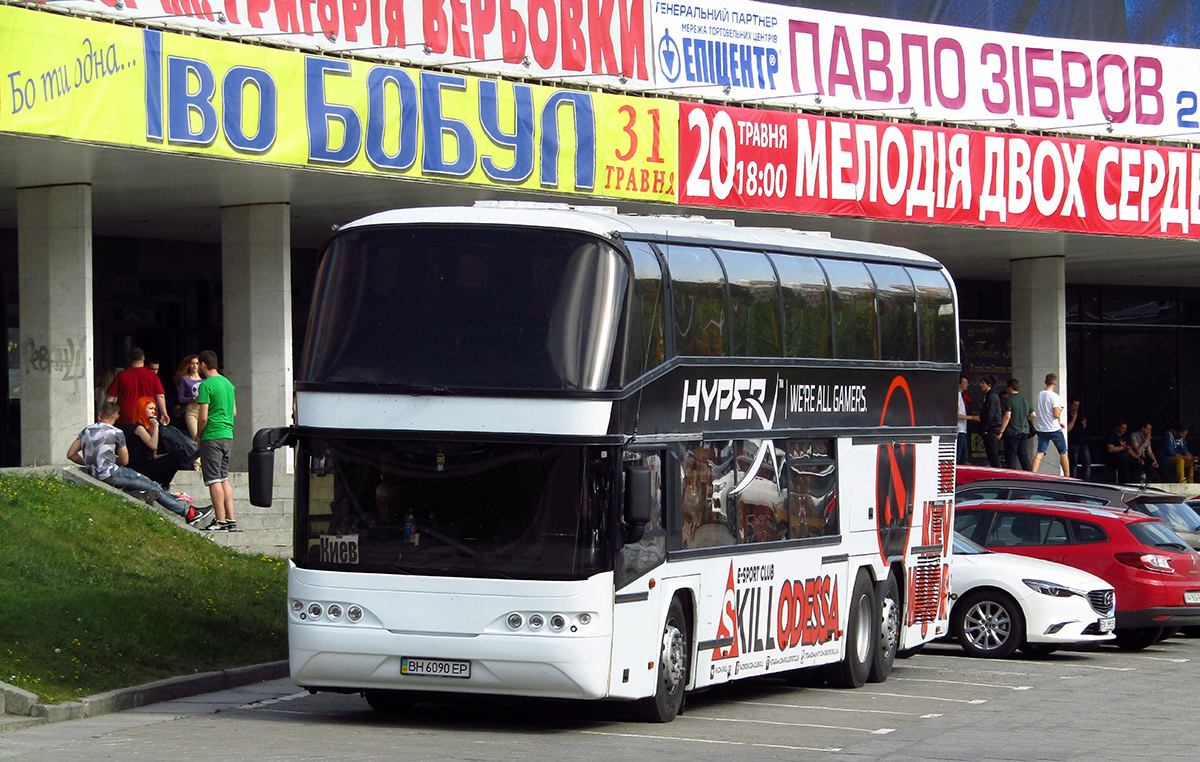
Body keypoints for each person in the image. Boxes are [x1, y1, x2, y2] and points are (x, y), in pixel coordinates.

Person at [67, 402, 211, 526]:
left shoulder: (86, 431)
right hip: (113, 473)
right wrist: (111, 458)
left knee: (151, 486)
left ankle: (190, 511)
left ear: (99, 415)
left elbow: (71, 454)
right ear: (117, 417)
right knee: (153, 486)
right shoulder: (116, 432)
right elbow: (125, 460)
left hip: (96, 473)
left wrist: (90, 462)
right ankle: (189, 513)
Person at [197, 350, 238, 532]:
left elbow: (203, 417)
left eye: (198, 364)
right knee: (224, 478)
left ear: (203, 364)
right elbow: (235, 411)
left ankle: (219, 520)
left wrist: (198, 435)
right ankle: (231, 519)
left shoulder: (206, 385)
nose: (197, 368)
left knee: (213, 479)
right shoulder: (228, 384)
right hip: (227, 435)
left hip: (212, 435)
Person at [119, 395, 181, 490]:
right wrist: (155, 426)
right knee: (174, 458)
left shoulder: (146, 428)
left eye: (154, 409)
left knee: (176, 456)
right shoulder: (138, 428)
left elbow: (150, 454)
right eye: (150, 408)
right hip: (140, 467)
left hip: (147, 461)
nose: (154, 411)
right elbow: (153, 445)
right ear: (143, 409)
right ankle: (162, 486)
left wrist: (167, 455)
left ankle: (164, 486)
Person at [106, 348, 169, 427]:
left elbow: (110, 398)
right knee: (148, 439)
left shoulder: (121, 375)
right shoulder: (152, 376)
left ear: (130, 360)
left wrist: (107, 416)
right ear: (143, 359)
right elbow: (160, 396)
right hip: (146, 416)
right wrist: (164, 413)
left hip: (125, 417)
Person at [1031, 373, 1071, 476]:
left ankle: (1033, 473)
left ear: (1045, 382)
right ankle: (1067, 475)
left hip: (1042, 428)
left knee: (1040, 452)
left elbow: (1044, 412)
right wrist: (1061, 409)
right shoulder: (1055, 396)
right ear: (1055, 383)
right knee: (1063, 452)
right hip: (1054, 429)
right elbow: (1056, 414)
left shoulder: (1039, 395)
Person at [999, 378, 1034, 470]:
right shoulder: (1024, 399)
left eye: (1007, 387)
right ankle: (1029, 475)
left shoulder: (1009, 400)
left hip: (1012, 431)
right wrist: (1024, 420)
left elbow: (1007, 416)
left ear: (1010, 387)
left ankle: (1012, 478)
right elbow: (1033, 415)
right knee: (1023, 455)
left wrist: (1001, 432)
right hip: (1025, 431)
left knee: (1011, 456)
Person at [1105, 420, 1145, 484]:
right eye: (1122, 428)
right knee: (1123, 461)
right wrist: (1123, 447)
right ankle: (1123, 482)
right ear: (1117, 427)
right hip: (1114, 458)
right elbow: (1110, 449)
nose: (1124, 430)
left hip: (1126, 457)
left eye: (1125, 428)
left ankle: (1133, 481)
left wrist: (1137, 458)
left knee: (1138, 463)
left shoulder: (1125, 437)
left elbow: (1129, 450)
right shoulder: (1112, 435)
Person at [174, 355, 203, 441]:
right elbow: (181, 398)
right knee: (196, 437)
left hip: (203, 409)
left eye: (197, 363)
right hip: (192, 410)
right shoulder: (185, 379)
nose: (195, 366)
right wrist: (192, 398)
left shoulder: (204, 379)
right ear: (188, 365)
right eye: (192, 363)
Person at [979, 375, 1004, 467]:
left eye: (983, 383)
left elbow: (991, 413)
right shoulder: (988, 396)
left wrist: (985, 427)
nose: (981, 385)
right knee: (990, 452)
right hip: (989, 427)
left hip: (992, 428)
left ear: (989, 385)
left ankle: (997, 470)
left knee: (993, 452)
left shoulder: (992, 396)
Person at [1066, 399, 1092, 480]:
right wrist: (1074, 418)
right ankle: (1073, 479)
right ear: (1070, 405)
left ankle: (1087, 479)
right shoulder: (1067, 415)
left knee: (1087, 461)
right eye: (1075, 405)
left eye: (1078, 406)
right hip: (1073, 442)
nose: (1076, 408)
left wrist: (1083, 425)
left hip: (1082, 441)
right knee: (1074, 462)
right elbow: (1068, 428)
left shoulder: (1080, 414)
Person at [956, 375, 978, 463]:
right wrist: (973, 417)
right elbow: (957, 415)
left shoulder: (961, 396)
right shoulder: (957, 396)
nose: (967, 384)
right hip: (959, 430)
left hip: (963, 430)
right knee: (959, 457)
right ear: (959, 384)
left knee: (963, 457)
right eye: (965, 382)